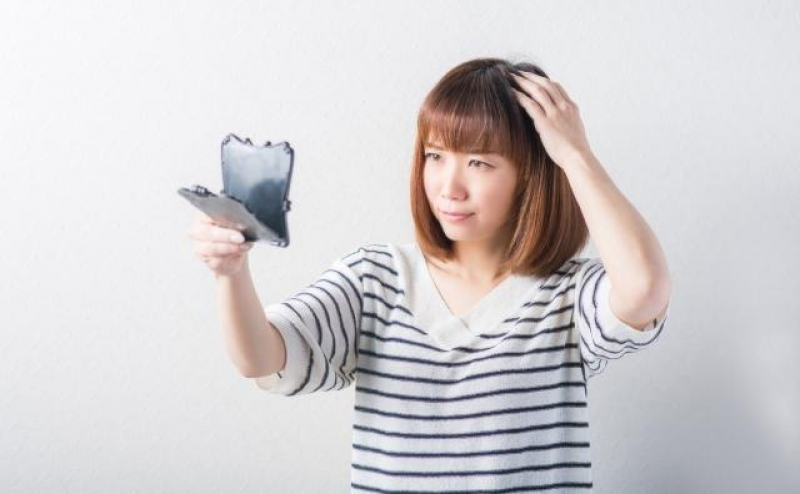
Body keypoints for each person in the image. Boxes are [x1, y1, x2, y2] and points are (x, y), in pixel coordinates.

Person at [186, 57, 672, 492]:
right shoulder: (373, 280)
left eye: (479, 162)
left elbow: (645, 290)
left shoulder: (567, 294)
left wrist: (574, 154)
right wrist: (230, 273)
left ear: (532, 173)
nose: (448, 187)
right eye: (435, 156)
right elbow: (261, 358)